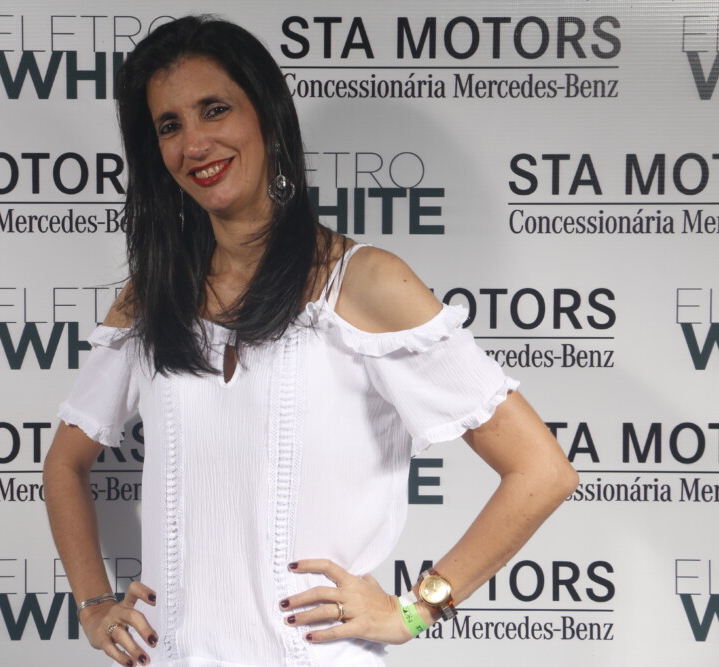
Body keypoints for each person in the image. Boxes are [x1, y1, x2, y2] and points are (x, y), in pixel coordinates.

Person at [43, 15, 578, 667]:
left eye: (215, 109)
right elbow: (64, 463)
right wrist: (94, 602)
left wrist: (414, 609)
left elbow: (542, 470)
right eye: (169, 125)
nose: (195, 143)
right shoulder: (149, 297)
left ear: (267, 116)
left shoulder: (366, 282)